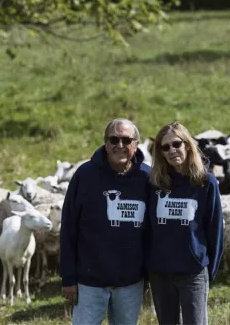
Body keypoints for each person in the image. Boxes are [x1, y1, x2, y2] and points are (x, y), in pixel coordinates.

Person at [60, 118, 151, 325]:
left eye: (126, 140)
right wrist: (68, 278)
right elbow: (68, 228)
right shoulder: (85, 176)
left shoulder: (147, 178)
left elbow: (152, 232)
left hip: (130, 281)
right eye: (114, 139)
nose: (120, 145)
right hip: (89, 281)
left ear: (136, 144)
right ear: (105, 143)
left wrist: (148, 274)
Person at [147, 121, 223, 325]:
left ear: (188, 145)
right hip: (160, 272)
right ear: (160, 153)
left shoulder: (206, 182)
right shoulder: (154, 184)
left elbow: (215, 228)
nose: (172, 150)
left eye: (176, 144)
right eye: (165, 147)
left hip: (193, 270)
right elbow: (147, 228)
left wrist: (207, 267)